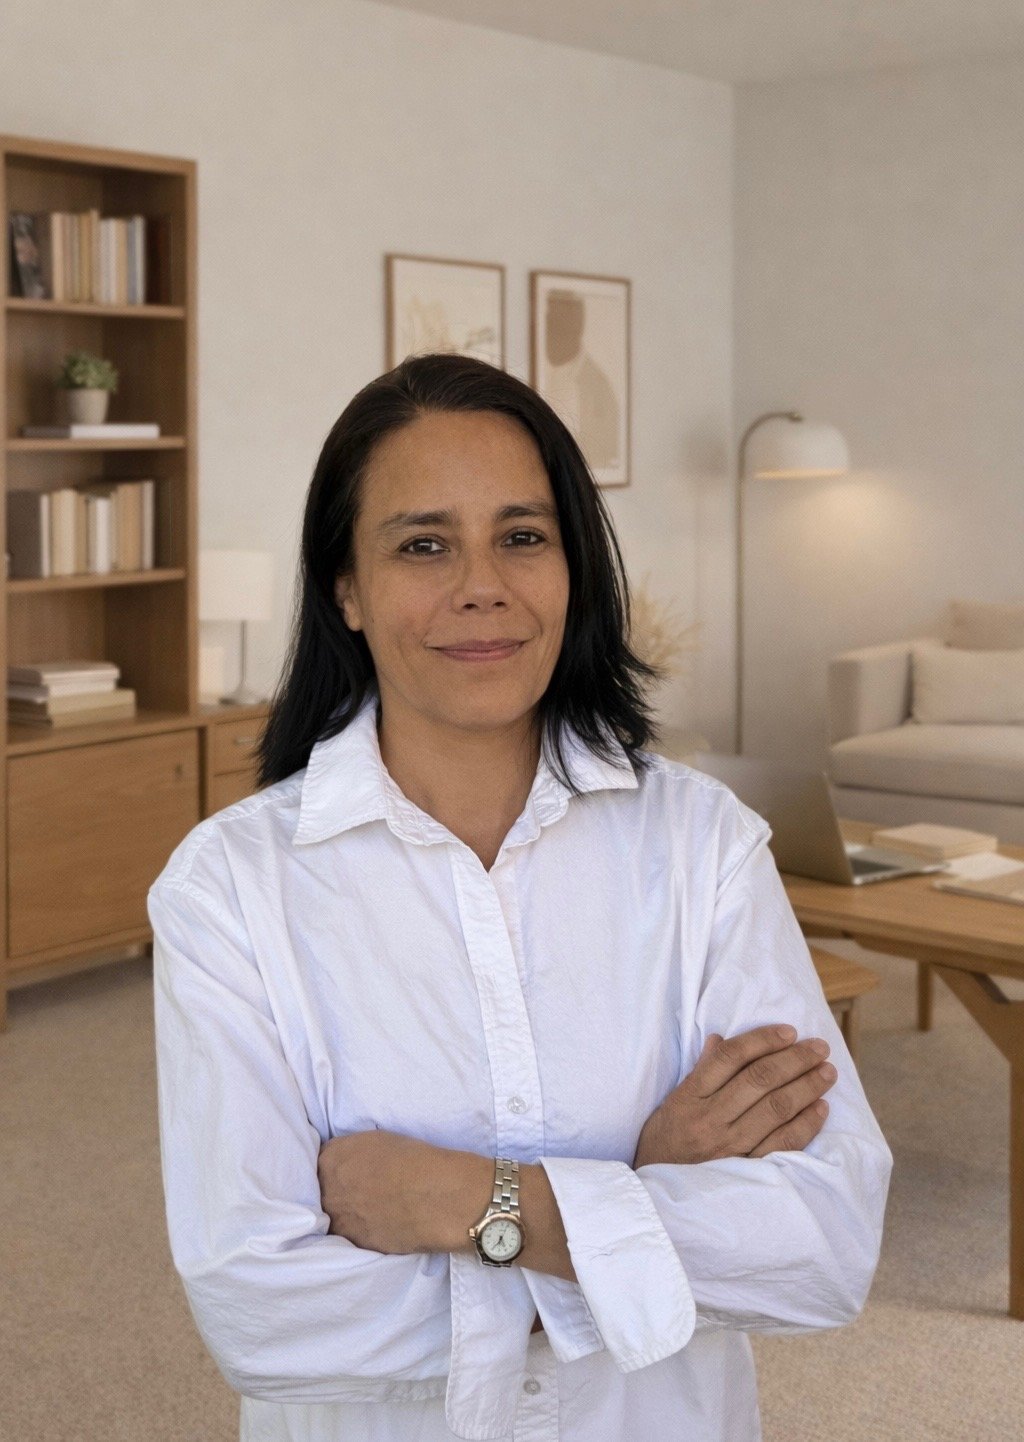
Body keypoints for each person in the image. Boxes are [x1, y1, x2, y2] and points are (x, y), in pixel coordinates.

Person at [148, 353, 893, 1442]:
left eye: (523, 536)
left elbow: (822, 1245)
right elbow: (265, 1314)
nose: (481, 585)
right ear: (345, 588)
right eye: (423, 544)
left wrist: (476, 1203)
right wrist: (635, 1200)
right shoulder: (228, 887)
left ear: (573, 567)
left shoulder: (703, 845)